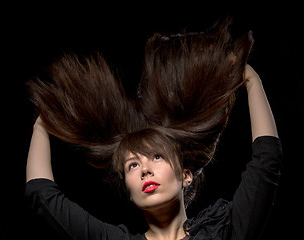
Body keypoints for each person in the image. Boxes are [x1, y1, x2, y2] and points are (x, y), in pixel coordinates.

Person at [25, 17, 283, 240]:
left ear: (186, 176)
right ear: (129, 190)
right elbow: (42, 195)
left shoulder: (227, 231)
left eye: (157, 157)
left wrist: (250, 79)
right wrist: (42, 123)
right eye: (132, 165)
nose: (144, 170)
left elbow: (267, 160)